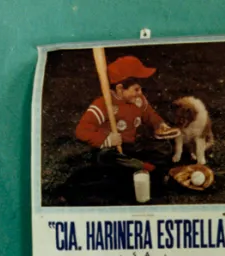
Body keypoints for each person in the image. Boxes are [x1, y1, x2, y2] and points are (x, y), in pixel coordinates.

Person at [60, 54, 178, 204]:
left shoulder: (138, 100)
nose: (140, 93)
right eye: (136, 89)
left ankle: (143, 170)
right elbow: (81, 130)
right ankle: (142, 170)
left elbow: (150, 115)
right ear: (120, 89)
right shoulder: (103, 104)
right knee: (110, 163)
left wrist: (159, 125)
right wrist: (106, 139)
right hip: (110, 150)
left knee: (160, 150)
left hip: (130, 146)